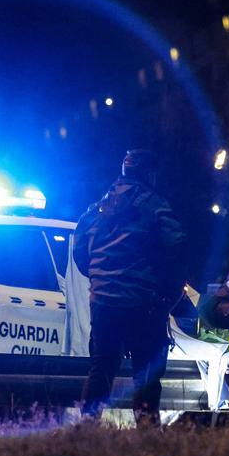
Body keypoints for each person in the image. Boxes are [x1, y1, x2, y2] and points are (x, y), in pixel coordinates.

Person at [73, 149, 188, 425]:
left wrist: (99, 279)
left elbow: (79, 250)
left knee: (101, 368)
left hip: (103, 302)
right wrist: (165, 295)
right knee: (146, 373)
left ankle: (86, 431)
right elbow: (179, 247)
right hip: (142, 303)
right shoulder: (156, 205)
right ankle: (147, 436)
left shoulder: (97, 207)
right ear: (150, 174)